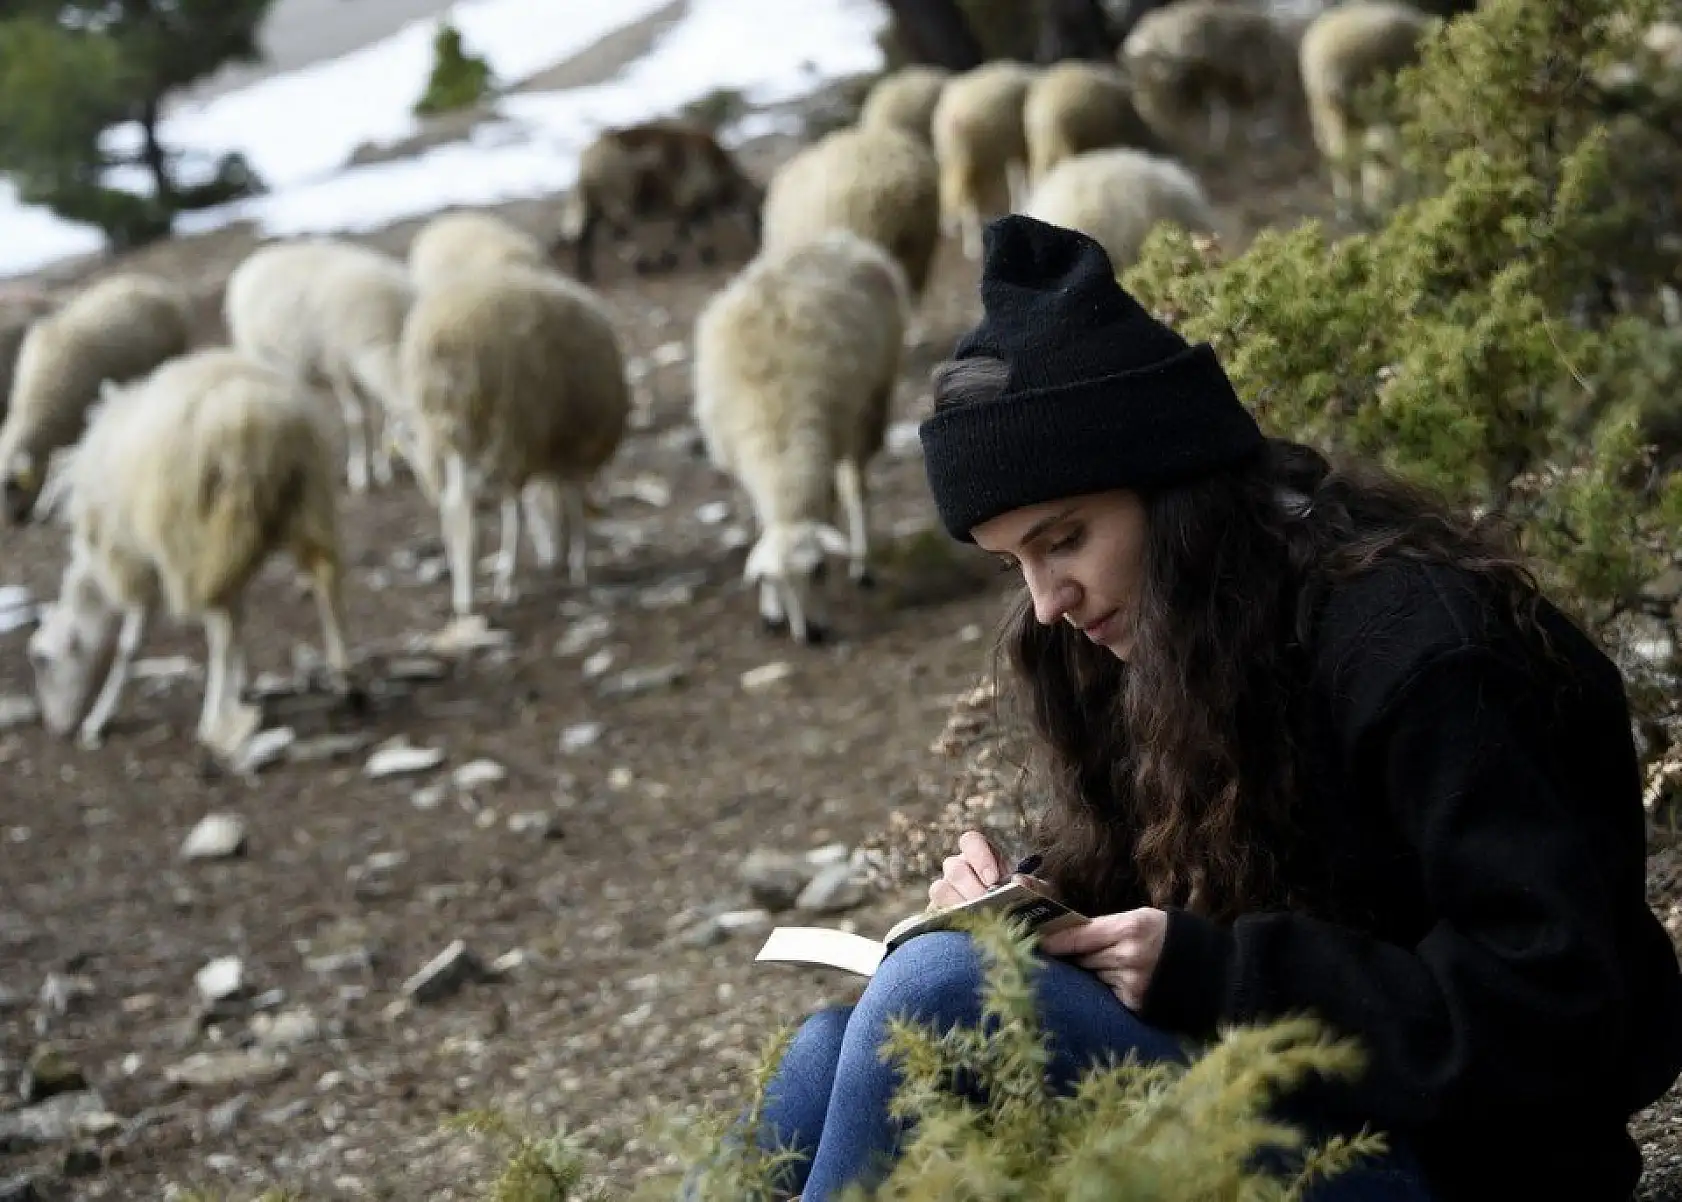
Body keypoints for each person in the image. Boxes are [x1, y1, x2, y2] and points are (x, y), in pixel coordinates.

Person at [753, 214, 1682, 1202]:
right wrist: (1029, 904)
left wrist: (1225, 977)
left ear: (1170, 483)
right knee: (829, 1048)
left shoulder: (1427, 651)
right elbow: (1181, 874)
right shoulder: (1173, 630)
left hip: (1460, 1167)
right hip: (1289, 1111)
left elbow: (1558, 1007)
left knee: (944, 999)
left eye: (1062, 538)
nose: (1045, 599)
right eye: (1012, 561)